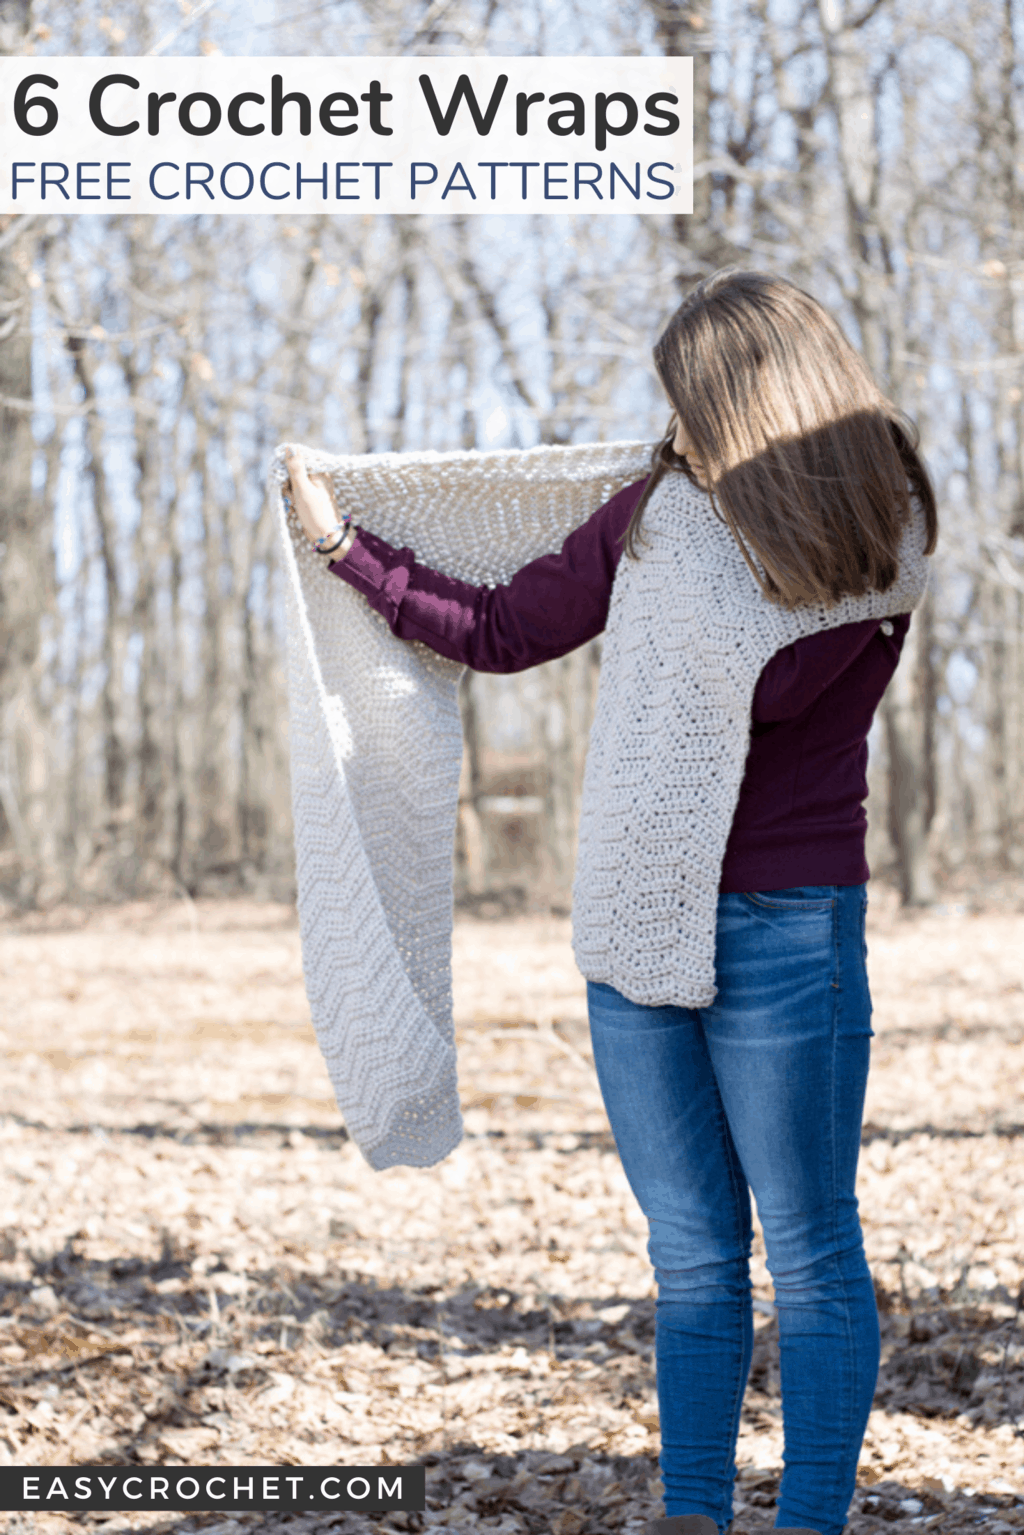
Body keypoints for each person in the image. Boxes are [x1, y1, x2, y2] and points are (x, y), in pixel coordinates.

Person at [282, 268, 937, 1535]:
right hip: (636, 920)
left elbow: (777, 685)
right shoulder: (652, 516)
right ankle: (693, 1513)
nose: (669, 424)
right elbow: (498, 625)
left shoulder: (877, 529)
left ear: (748, 400)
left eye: (687, 398)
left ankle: (811, 1521)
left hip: (790, 924)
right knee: (691, 1253)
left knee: (807, 1247)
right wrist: (343, 545)